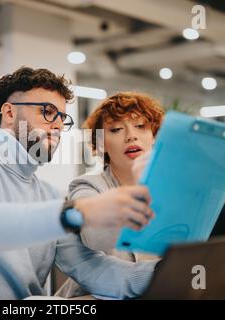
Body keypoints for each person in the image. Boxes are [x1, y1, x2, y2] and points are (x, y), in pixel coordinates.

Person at [0, 67, 157, 300]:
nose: (59, 125)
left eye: (62, 117)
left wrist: (170, 272)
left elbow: (91, 267)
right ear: (9, 113)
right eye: (48, 112)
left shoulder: (48, 196)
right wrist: (77, 213)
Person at [56, 92, 164, 298]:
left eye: (140, 126)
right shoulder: (87, 186)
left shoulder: (168, 190)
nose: (131, 136)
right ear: (102, 144)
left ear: (154, 135)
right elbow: (95, 237)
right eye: (116, 129)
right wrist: (140, 194)